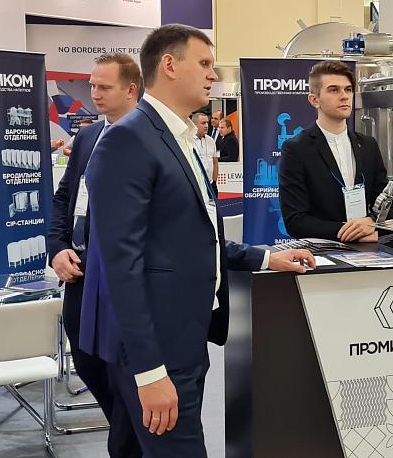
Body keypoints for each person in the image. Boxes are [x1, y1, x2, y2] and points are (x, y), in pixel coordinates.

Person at [81, 24, 316, 458]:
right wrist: (149, 371)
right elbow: (120, 266)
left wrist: (267, 258)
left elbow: (194, 238)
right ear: (170, 65)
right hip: (155, 349)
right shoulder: (129, 140)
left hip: (185, 337)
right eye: (205, 63)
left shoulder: (180, 138)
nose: (213, 75)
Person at [45, 53, 141, 423]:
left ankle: (128, 435)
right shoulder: (87, 137)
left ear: (131, 89)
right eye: (92, 85)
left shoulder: (147, 140)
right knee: (87, 362)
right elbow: (63, 198)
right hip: (79, 273)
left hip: (120, 276)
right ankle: (122, 430)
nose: (94, 94)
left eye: (104, 87)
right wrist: (58, 249)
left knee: (125, 372)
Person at [279, 60, 393, 242]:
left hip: (370, 250)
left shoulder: (368, 145)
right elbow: (295, 221)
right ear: (314, 100)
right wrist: (352, 233)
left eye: (348, 90)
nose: (344, 96)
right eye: (334, 90)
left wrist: (371, 222)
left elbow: (387, 204)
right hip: (323, 251)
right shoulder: (297, 149)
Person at [192, 112, 218, 181]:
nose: (206, 126)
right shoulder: (188, 140)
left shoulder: (211, 140)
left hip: (210, 182)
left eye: (207, 123)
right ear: (194, 124)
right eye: (203, 123)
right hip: (196, 182)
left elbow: (215, 162)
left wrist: (214, 181)